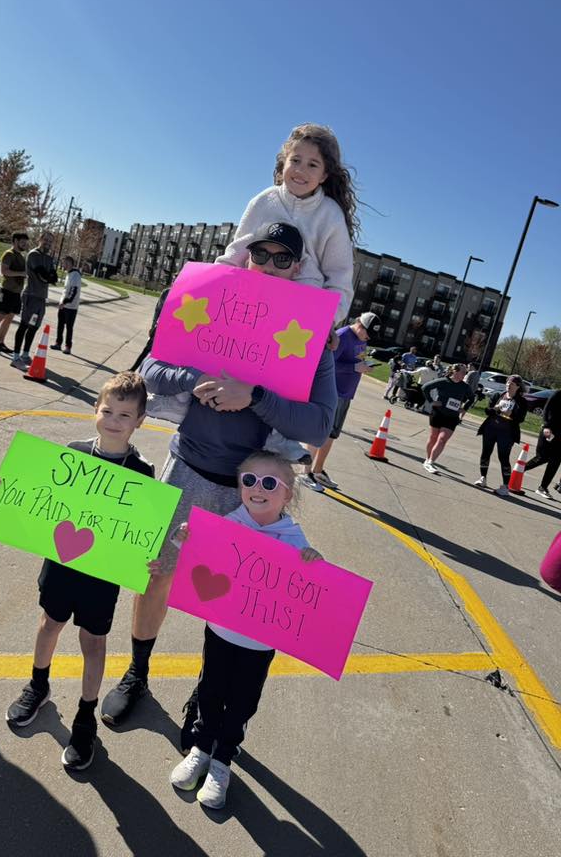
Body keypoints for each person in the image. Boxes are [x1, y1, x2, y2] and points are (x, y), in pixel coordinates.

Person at [99, 228, 338, 729]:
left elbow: (318, 424)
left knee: (232, 601)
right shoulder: (213, 301)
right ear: (248, 258)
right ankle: (137, 672)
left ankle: (206, 700)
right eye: (262, 254)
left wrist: (255, 397)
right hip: (186, 467)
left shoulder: (312, 333)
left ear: (297, 268)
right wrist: (194, 379)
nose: (270, 264)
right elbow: (152, 369)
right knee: (155, 573)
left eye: (283, 257)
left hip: (250, 493)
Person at [0, 372, 153, 771]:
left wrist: (155, 553)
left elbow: (145, 531)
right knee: (48, 625)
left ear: (139, 421)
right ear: (96, 409)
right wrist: (3, 493)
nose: (113, 420)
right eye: (107, 410)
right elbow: (39, 499)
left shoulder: (143, 474)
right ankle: (38, 686)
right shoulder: (72, 455)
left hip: (102, 577)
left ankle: (84, 716)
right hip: (61, 564)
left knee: (93, 644)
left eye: (125, 415)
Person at [161, 451, 323, 809]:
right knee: (209, 690)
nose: (256, 489)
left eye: (269, 483)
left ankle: (222, 761)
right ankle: (201, 749)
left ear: (287, 493)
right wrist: (184, 537)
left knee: (242, 701)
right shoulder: (227, 522)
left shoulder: (294, 538)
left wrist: (314, 563)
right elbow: (193, 558)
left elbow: (307, 587)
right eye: (248, 480)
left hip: (261, 642)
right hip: (219, 631)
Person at [217, 123, 358, 323]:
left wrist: (325, 323)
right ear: (284, 163)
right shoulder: (264, 201)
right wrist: (209, 284)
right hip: (249, 308)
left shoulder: (331, 216)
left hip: (299, 318)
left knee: (325, 355)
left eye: (312, 165)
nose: (301, 170)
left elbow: (339, 280)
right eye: (296, 160)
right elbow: (236, 253)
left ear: (324, 175)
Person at [301, 311, 380, 492]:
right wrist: (354, 367)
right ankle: (306, 472)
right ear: (360, 325)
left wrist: (363, 366)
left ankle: (318, 470)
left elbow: (354, 360)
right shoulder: (343, 335)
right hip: (332, 391)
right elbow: (327, 362)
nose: (368, 338)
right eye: (367, 334)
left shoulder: (361, 339)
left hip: (345, 393)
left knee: (332, 434)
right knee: (319, 432)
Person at [10, 230, 58, 370]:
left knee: (34, 327)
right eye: (46, 240)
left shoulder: (49, 259)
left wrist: (49, 275)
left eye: (50, 241)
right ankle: (15, 357)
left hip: (42, 297)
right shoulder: (33, 255)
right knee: (24, 325)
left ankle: (25, 354)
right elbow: (43, 275)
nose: (48, 243)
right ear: (40, 239)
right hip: (31, 295)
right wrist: (48, 275)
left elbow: (53, 278)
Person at [474, 375, 528, 496]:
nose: (509, 385)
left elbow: (521, 419)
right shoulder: (498, 395)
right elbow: (487, 411)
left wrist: (511, 414)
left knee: (503, 458)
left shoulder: (521, 401)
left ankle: (505, 486)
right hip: (491, 429)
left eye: (512, 384)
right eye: (508, 383)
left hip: (507, 433)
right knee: (485, 453)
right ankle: (483, 478)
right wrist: (496, 409)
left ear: (518, 387)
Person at [421, 363, 475, 474]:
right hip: (438, 413)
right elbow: (425, 388)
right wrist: (432, 401)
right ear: (455, 371)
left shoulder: (465, 386)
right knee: (433, 437)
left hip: (452, 417)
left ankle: (430, 462)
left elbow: (471, 398)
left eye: (466, 372)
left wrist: (464, 408)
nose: (465, 374)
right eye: (463, 372)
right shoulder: (443, 381)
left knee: (442, 439)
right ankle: (427, 459)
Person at [0, 232, 29, 352]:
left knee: (9, 318)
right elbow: (4, 271)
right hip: (7, 291)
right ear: (15, 241)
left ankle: (0, 342)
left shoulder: (21, 256)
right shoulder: (9, 254)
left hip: (16, 293)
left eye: (26, 242)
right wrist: (21, 273)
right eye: (22, 242)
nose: (24, 244)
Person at [525, 390, 561, 499]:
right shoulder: (558, 394)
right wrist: (546, 426)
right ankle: (518, 471)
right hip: (549, 431)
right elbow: (547, 410)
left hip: (560, 435)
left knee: (556, 460)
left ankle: (542, 488)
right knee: (542, 457)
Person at [51, 256, 82, 354]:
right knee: (60, 326)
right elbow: (66, 290)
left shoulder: (75, 275)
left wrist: (65, 302)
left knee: (69, 327)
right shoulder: (69, 274)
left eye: (64, 263)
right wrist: (61, 302)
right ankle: (58, 343)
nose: (62, 265)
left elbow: (73, 291)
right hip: (63, 306)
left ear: (68, 263)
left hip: (71, 307)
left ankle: (68, 347)